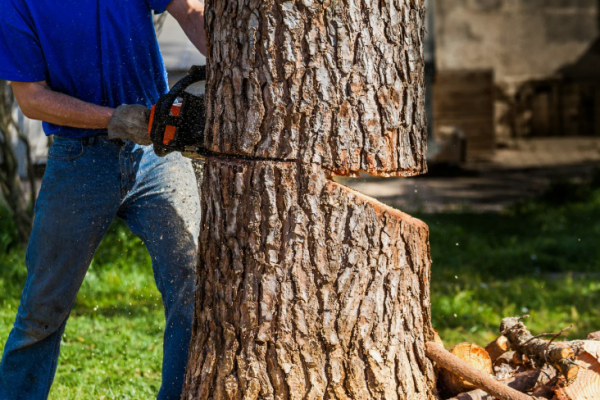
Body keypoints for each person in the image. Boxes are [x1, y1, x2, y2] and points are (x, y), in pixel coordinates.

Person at [0, 0, 207, 399]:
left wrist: (231, 55)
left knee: (192, 282)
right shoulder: (15, 4)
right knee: (43, 307)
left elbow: (190, 12)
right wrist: (115, 118)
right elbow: (31, 98)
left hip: (155, 153)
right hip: (78, 158)